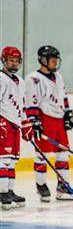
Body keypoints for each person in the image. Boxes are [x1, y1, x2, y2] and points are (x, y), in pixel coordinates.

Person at [25, 45, 73, 202]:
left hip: (59, 120)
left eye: (56, 60)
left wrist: (68, 112)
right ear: (43, 60)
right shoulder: (33, 78)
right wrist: (34, 120)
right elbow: (30, 101)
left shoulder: (58, 77)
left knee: (63, 152)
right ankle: (41, 185)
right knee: (43, 154)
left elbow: (63, 96)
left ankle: (63, 186)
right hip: (44, 118)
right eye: (53, 60)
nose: (56, 63)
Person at [0, 46, 32, 209]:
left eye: (16, 60)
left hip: (15, 125)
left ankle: (10, 191)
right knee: (3, 160)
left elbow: (22, 106)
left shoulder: (21, 82)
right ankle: (2, 191)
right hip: (3, 123)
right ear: (4, 61)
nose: (13, 63)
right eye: (10, 60)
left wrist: (26, 124)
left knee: (12, 161)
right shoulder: (0, 78)